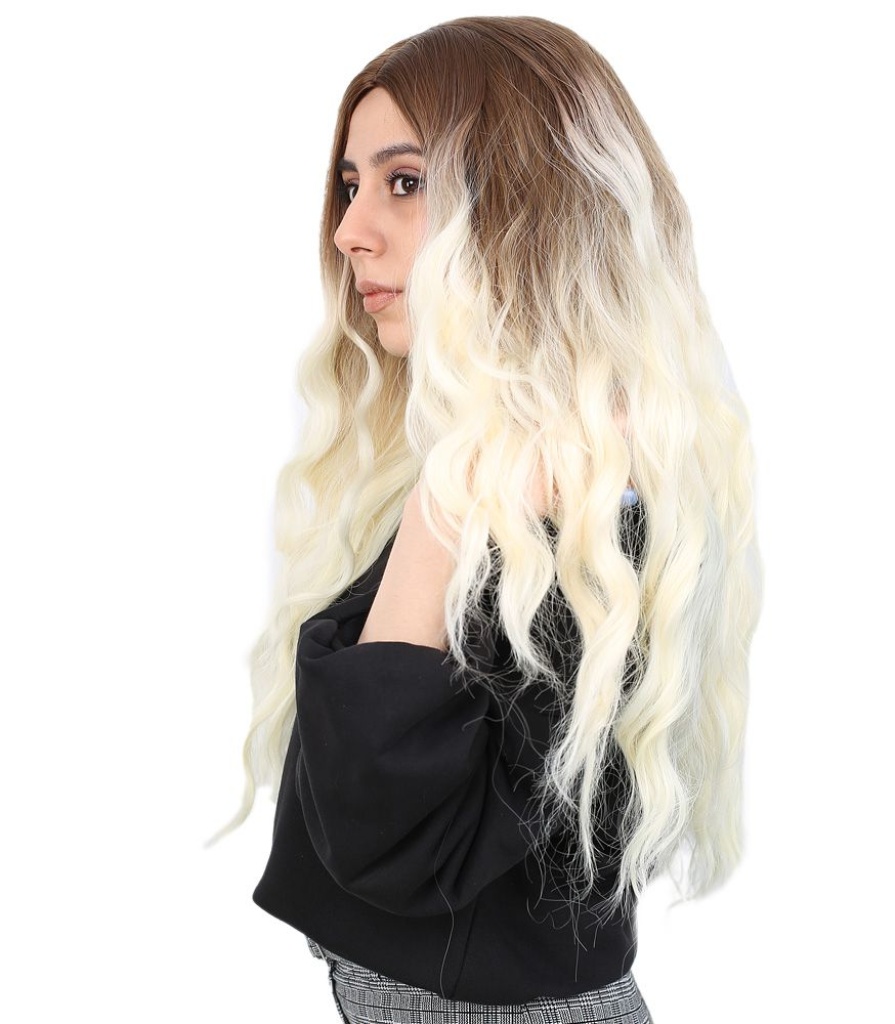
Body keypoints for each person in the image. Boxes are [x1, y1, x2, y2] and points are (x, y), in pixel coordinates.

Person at [212, 15, 763, 1023]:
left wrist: (445, 502)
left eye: (404, 181)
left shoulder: (574, 510)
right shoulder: (535, 475)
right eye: (350, 185)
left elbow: (383, 834)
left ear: (527, 205)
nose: (349, 230)